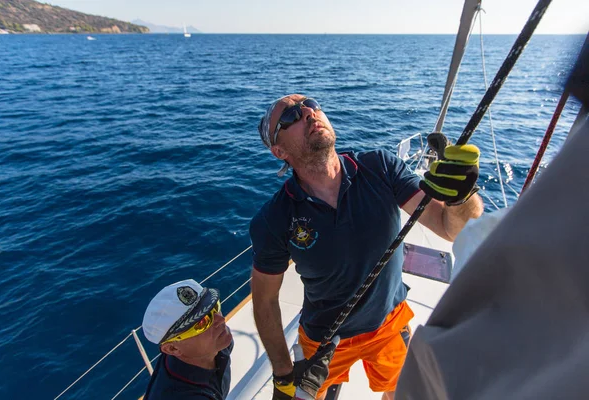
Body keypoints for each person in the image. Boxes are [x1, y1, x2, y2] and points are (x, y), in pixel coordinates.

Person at [250, 94, 484, 400]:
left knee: (405, 394)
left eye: (310, 103)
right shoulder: (274, 218)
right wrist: (282, 374)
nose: (307, 112)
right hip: (322, 341)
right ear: (278, 151)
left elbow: (449, 227)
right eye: (291, 116)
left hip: (389, 324)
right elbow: (264, 301)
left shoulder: (381, 167)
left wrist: (461, 197)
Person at [141, 278, 339, 400]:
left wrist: (285, 384)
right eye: (202, 323)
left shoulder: (218, 346)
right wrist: (304, 393)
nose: (220, 320)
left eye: (215, 308)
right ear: (172, 349)